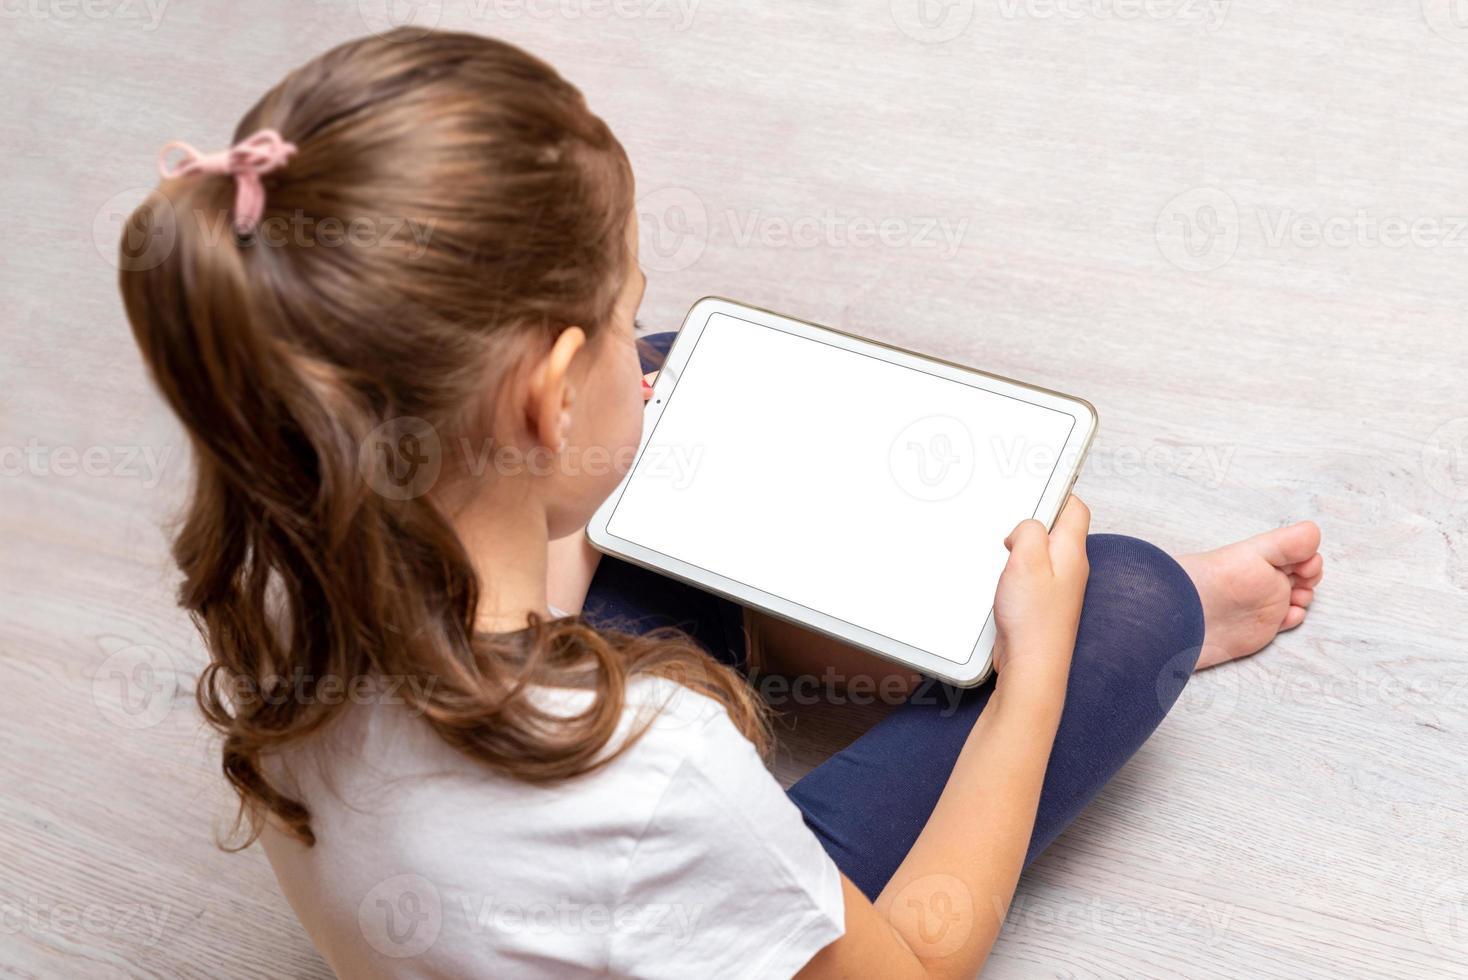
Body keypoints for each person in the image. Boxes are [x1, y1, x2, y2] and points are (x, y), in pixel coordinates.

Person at [118, 29, 1324, 979]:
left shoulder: (272, 576)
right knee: (1127, 598)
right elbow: (914, 962)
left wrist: (587, 466)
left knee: (667, 374)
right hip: (643, 862)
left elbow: (515, 549)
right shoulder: (664, 773)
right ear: (541, 403)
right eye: (591, 343)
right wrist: (1038, 673)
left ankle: (881, 640)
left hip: (515, 873)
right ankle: (1034, 645)